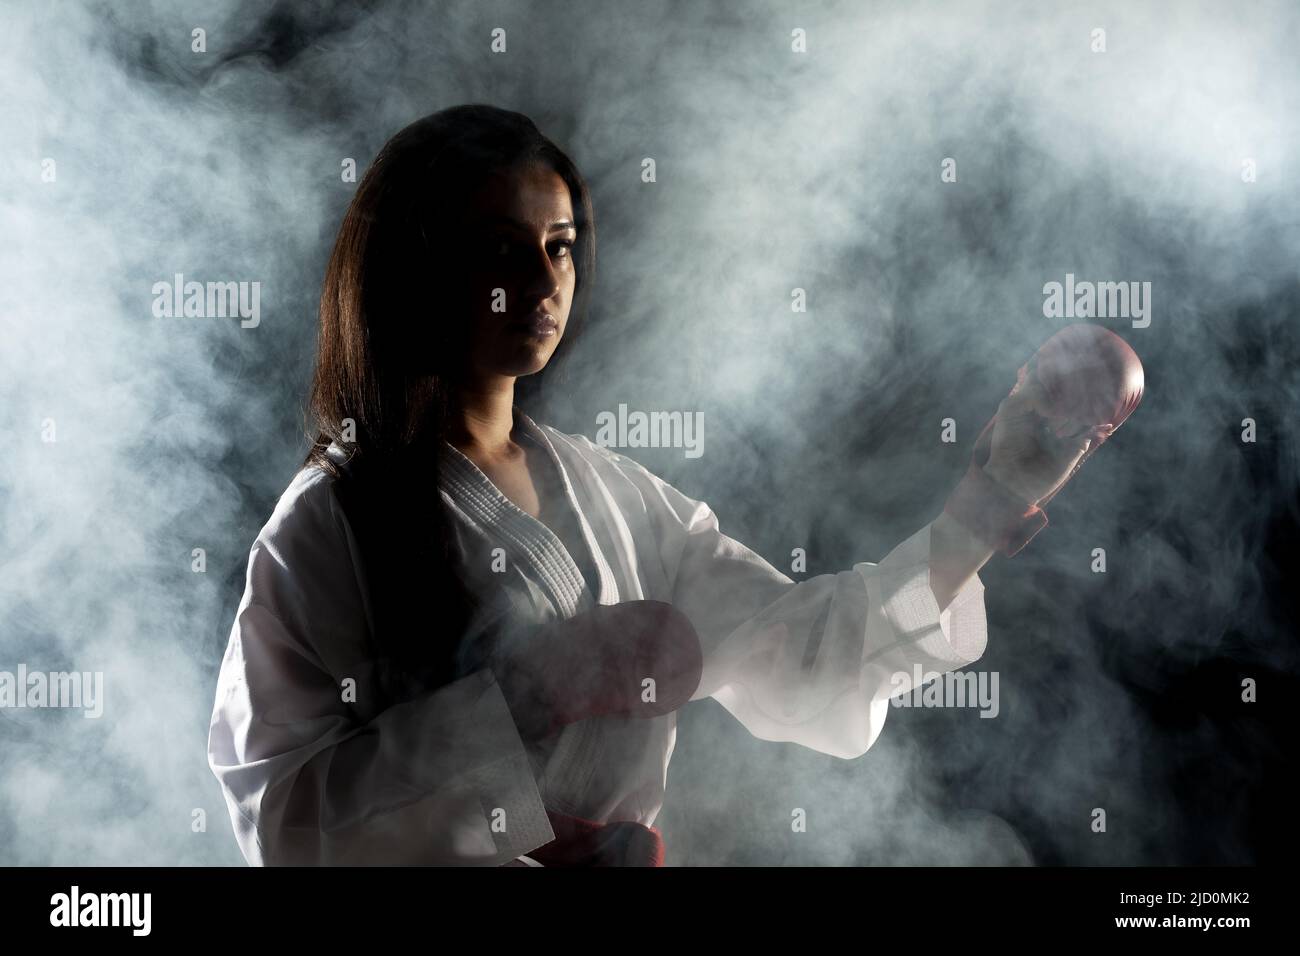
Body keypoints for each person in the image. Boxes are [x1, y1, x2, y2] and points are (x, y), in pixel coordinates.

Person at [206, 104, 1108, 866]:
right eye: (501, 249)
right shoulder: (332, 521)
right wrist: (527, 694)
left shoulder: (618, 497)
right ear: (420, 265)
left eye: (559, 248)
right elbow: (282, 821)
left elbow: (802, 655)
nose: (541, 281)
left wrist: (974, 518)